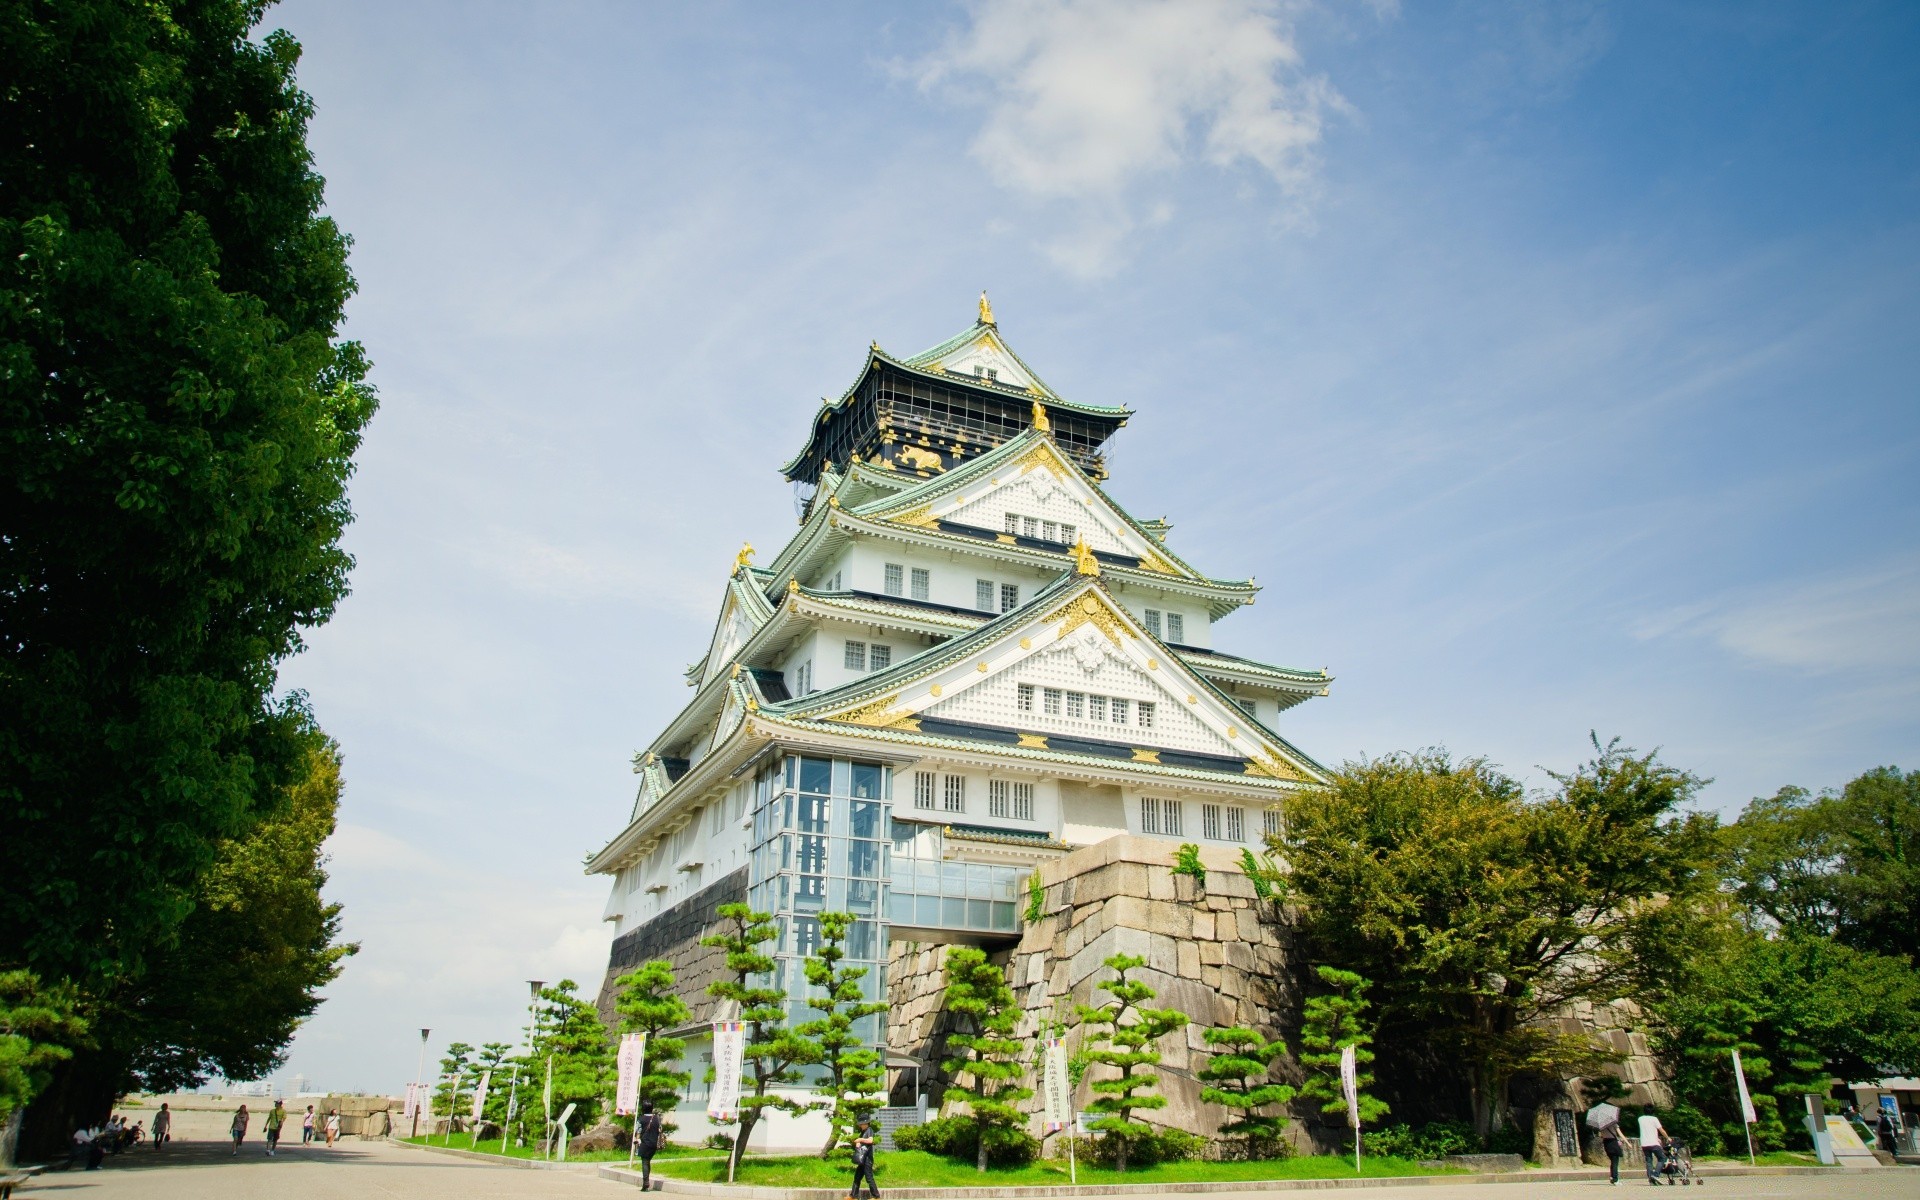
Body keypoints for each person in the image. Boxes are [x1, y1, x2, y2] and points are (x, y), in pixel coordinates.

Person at [848, 1119, 879, 1200]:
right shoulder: (863, 1132)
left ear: (866, 1123)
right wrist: (858, 1144)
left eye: (861, 1124)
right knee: (857, 1177)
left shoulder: (869, 1130)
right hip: (862, 1158)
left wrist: (860, 1140)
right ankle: (853, 1196)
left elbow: (870, 1140)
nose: (860, 1125)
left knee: (869, 1177)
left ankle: (876, 1196)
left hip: (867, 1159)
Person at [635, 1101, 662, 1191]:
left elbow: (638, 1131)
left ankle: (645, 1183)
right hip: (654, 1144)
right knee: (648, 1161)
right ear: (651, 1108)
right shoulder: (657, 1118)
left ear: (643, 1108)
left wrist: (637, 1140)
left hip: (645, 1143)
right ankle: (646, 1181)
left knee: (645, 1162)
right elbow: (660, 1129)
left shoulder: (641, 1119)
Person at [1638, 1112, 1670, 1185]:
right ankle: (1655, 1175)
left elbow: (1648, 1130)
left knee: (1649, 1161)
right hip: (1654, 1143)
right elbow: (1661, 1130)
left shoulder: (1640, 1119)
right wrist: (1668, 1138)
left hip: (1644, 1143)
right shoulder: (1654, 1119)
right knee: (1662, 1158)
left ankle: (1650, 1179)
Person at [1597, 1113, 1625, 1186]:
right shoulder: (1614, 1123)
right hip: (1613, 1142)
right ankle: (1615, 1179)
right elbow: (1620, 1134)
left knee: (1612, 1160)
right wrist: (1627, 1143)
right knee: (1615, 1161)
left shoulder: (1602, 1125)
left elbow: (1600, 1135)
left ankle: (1612, 1177)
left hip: (1606, 1143)